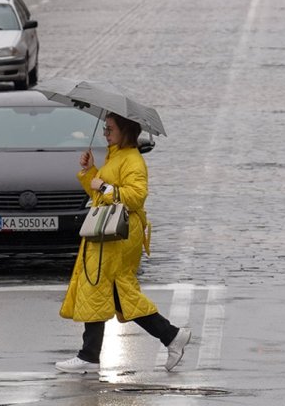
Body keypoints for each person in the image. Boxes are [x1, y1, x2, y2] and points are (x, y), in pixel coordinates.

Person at [55, 113, 191, 375]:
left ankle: (89, 356)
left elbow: (135, 196)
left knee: (96, 285)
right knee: (117, 293)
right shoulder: (116, 156)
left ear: (125, 131)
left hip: (118, 236)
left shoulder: (132, 159)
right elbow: (101, 192)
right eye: (105, 129)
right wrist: (89, 172)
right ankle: (171, 336)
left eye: (110, 129)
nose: (105, 133)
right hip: (109, 234)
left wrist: (103, 185)